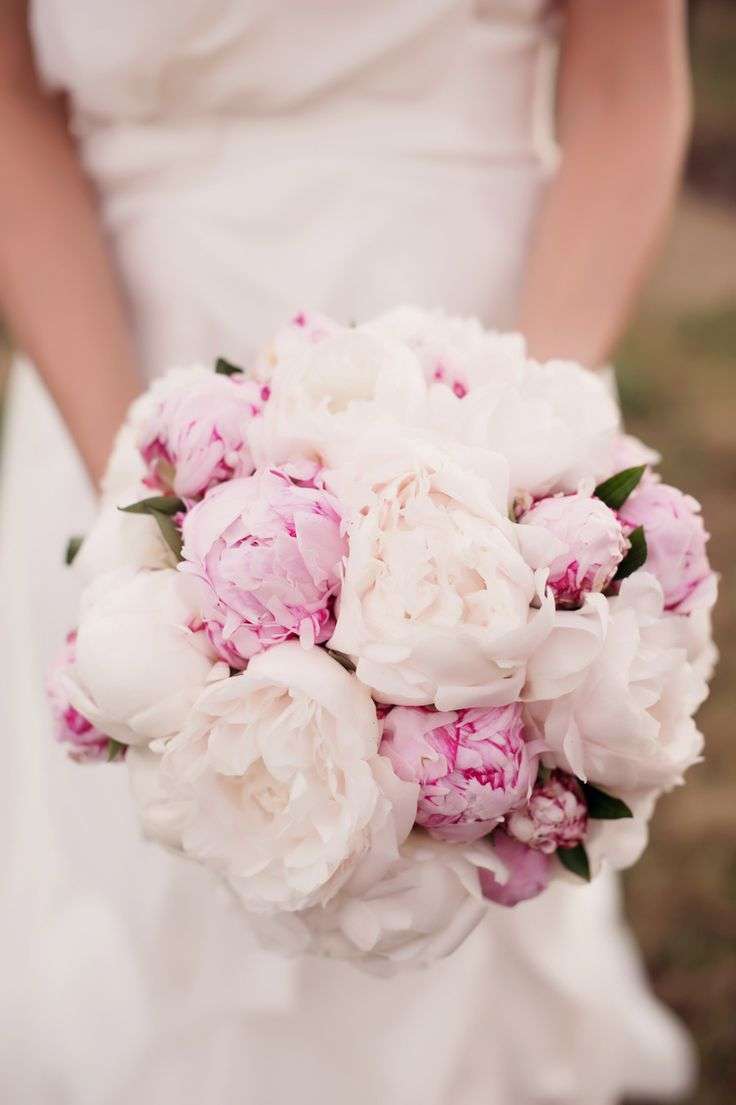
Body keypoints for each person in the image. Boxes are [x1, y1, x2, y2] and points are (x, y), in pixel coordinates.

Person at [0, 2, 695, 1103]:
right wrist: (143, 494)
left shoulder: (501, 438)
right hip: (124, 362)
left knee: (457, 827)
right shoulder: (135, 460)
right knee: (160, 847)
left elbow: (625, 83)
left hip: (479, 345)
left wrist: (513, 473)